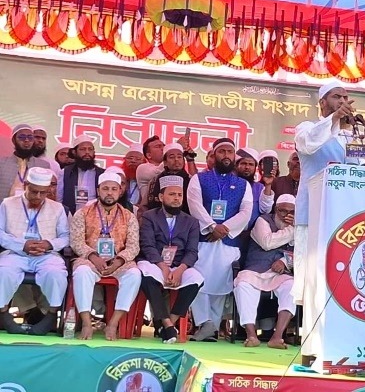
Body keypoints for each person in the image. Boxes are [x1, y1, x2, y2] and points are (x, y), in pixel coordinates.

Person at [292, 80, 357, 363]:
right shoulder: (306, 128)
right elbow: (309, 144)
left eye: (345, 96)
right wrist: (333, 120)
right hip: (313, 216)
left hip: (345, 221)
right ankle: (310, 348)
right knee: (314, 282)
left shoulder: (350, 137)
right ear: (322, 103)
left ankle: (341, 344)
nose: (343, 100)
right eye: (336, 96)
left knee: (342, 280)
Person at [186, 138, 252, 342]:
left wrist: (225, 228)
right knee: (198, 280)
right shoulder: (199, 179)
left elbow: (246, 212)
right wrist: (212, 226)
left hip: (228, 241)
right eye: (221, 151)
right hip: (204, 239)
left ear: (234, 156)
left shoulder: (243, 184)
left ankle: (212, 328)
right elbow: (194, 205)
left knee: (221, 286)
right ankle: (204, 322)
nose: (226, 155)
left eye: (229, 152)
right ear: (214, 155)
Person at [69, 172, 141, 340]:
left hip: (119, 262)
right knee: (82, 273)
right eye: (105, 188)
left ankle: (113, 324)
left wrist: (118, 261)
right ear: (98, 190)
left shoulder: (129, 216)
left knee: (134, 275)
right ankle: (86, 323)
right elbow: (76, 242)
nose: (109, 193)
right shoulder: (83, 213)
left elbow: (133, 246)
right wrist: (93, 257)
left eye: (114, 189)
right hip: (90, 259)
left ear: (120, 191)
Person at [0, 167, 69, 335]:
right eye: (34, 191)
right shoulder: (7, 204)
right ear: (26, 185)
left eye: (43, 193)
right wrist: (21, 245)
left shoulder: (57, 208)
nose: (38, 196)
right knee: (4, 272)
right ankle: (3, 314)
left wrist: (49, 244)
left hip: (46, 255)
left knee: (56, 274)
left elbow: (65, 236)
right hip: (15, 253)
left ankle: (51, 315)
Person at [137, 175, 204, 344]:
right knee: (146, 275)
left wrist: (180, 270)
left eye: (179, 195)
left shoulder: (191, 221)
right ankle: (167, 323)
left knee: (196, 279)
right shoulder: (149, 216)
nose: (176, 198)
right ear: (161, 197)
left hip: (178, 265)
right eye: (172, 194)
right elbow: (147, 245)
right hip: (154, 263)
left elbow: (192, 252)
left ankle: (169, 323)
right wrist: (163, 267)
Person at [233, 194, 296, 349]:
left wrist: (284, 261)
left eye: (291, 212)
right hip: (255, 270)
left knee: (292, 288)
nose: (286, 215)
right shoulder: (263, 221)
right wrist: (293, 230)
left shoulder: (300, 226)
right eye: (283, 211)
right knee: (242, 285)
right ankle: (251, 335)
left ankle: (277, 337)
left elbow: (303, 252)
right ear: (276, 209)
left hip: (281, 274)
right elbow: (267, 242)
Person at [0, 124, 51, 200]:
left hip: (32, 206)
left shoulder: (43, 165)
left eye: (30, 137)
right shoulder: (2, 163)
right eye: (22, 137)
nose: (26, 140)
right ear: (13, 140)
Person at [58, 135, 105, 214]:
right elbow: (59, 199)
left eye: (90, 149)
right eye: (83, 149)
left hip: (95, 217)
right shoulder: (65, 172)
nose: (87, 152)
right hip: (70, 217)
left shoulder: (102, 174)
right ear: (74, 152)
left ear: (94, 152)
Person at [145, 143, 191, 214]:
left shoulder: (190, 181)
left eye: (179, 157)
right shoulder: (155, 180)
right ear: (165, 162)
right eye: (172, 157)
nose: (176, 160)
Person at [136, 136, 165, 203]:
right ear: (149, 155)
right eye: (158, 146)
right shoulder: (142, 168)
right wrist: (175, 149)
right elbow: (159, 173)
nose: (163, 149)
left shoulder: (170, 166)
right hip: (151, 208)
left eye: (164, 146)